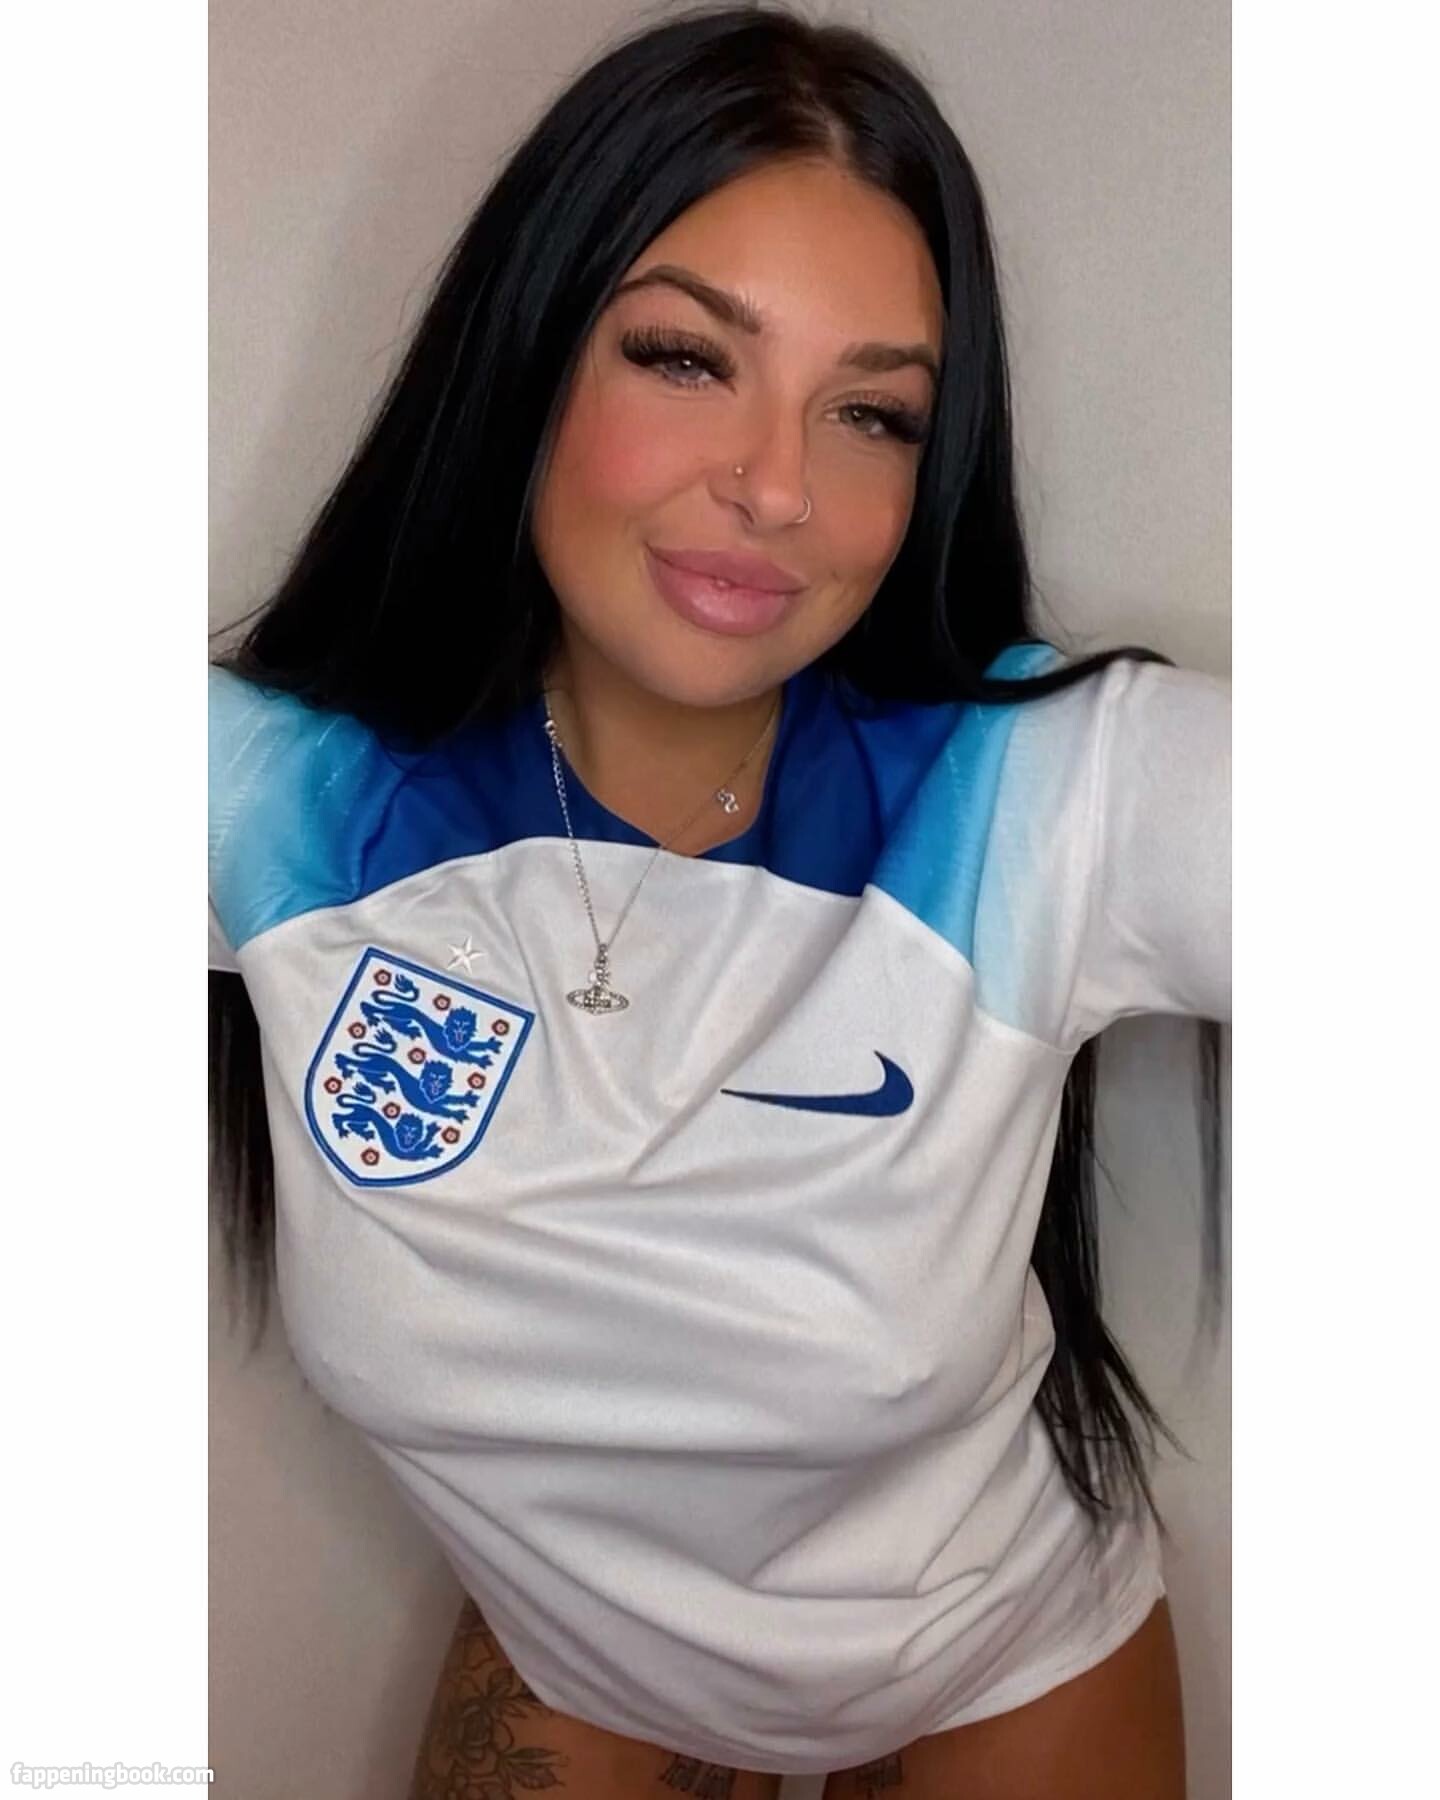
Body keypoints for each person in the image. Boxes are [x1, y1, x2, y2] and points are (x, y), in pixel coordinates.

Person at [208, 5, 1229, 1795]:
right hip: (577, 1666)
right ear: (529, 356)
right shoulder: (278, 793)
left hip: (1002, 1653)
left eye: (873, 411)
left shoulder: (1051, 789)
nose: (778, 487)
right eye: (687, 358)